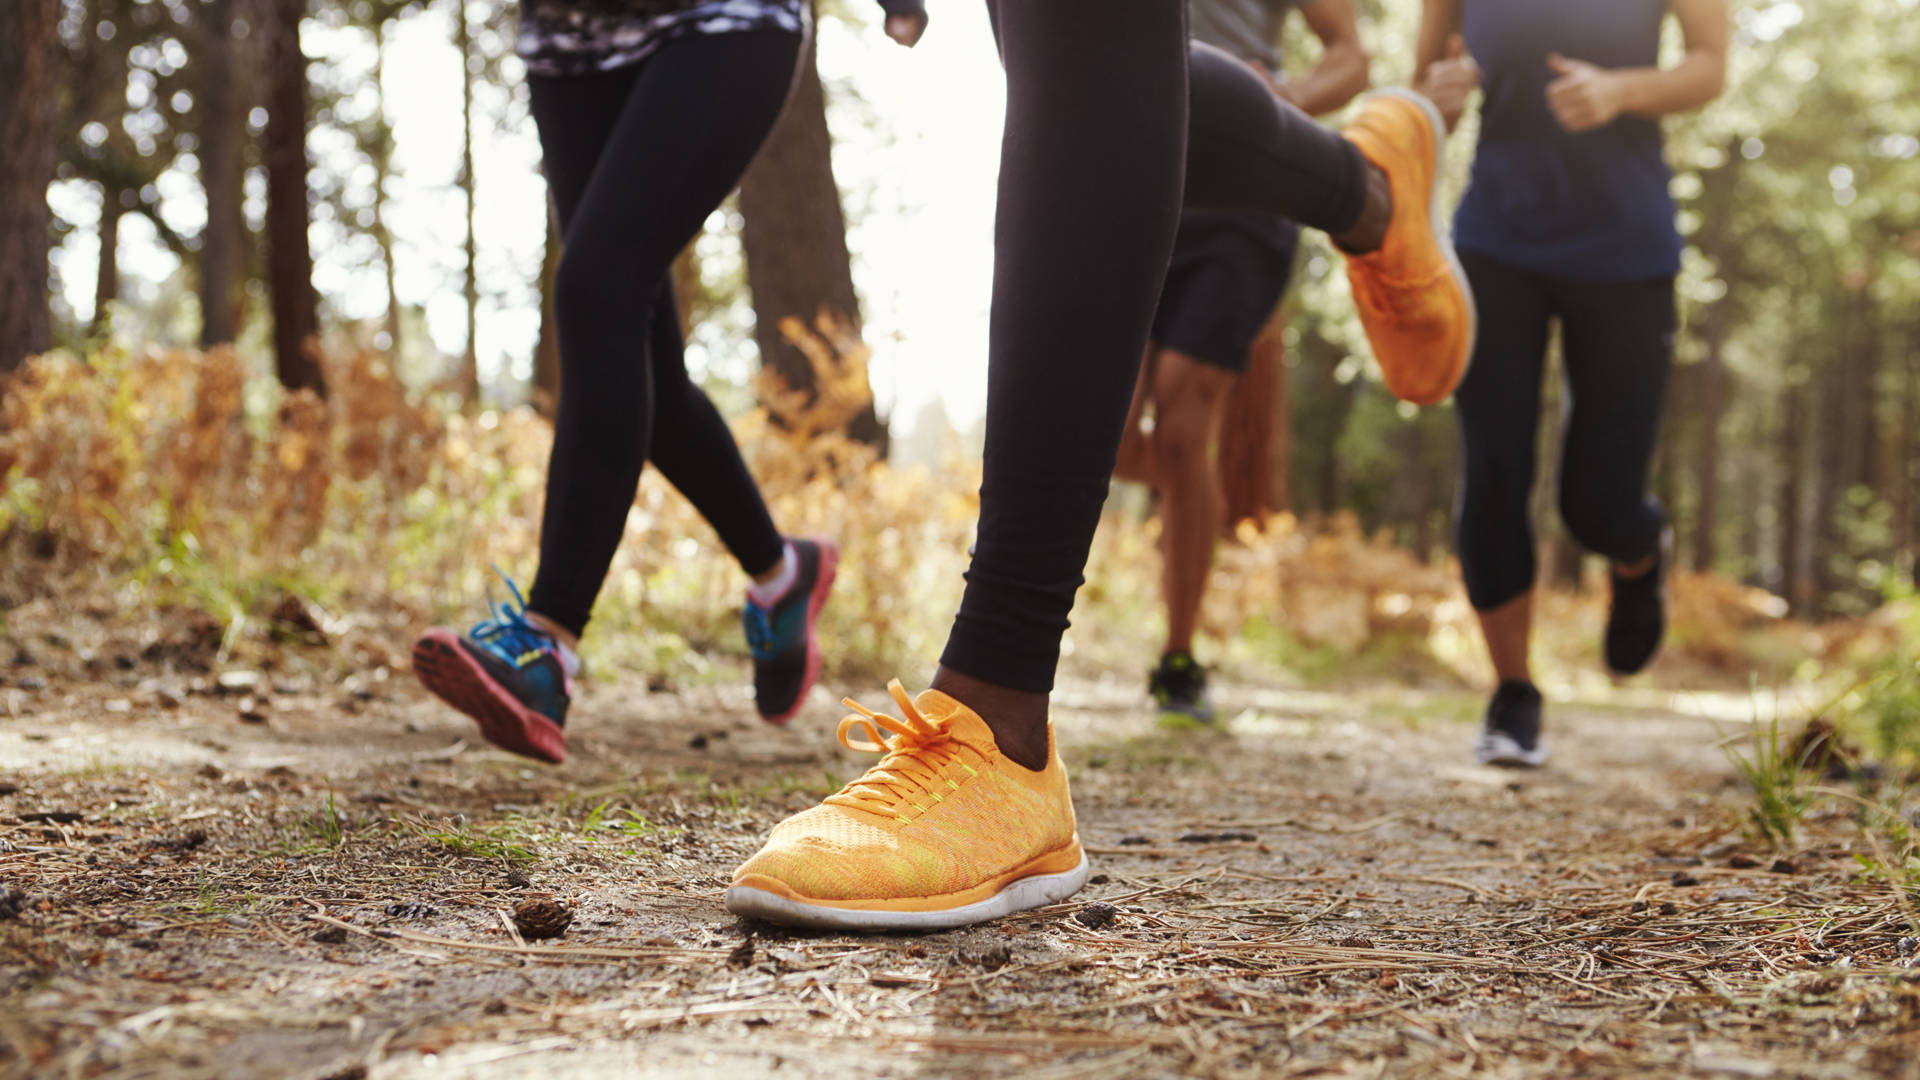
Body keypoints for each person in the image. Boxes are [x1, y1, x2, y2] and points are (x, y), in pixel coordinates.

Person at [726, 1, 1484, 931]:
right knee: (1079, 61)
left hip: (1236, 237)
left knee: (1087, 39)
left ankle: (999, 714)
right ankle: (1370, 188)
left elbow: (1339, 47)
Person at [409, 0, 932, 764]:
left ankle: (547, 646)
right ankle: (782, 571)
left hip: (723, 20)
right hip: (570, 39)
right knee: (637, 347)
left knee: (596, 286)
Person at [1414, 0, 1728, 768]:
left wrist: (1621, 91)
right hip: (1495, 241)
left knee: (1597, 501)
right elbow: (1423, 89)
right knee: (1494, 467)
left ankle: (1637, 550)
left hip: (1627, 248)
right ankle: (1513, 693)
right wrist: (1435, 99)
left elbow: (1710, 63)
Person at [1111, 0, 1372, 724]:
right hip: (1132, 168)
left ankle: (1179, 655)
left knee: (1186, 427)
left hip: (1244, 191)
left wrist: (1284, 102)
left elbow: (1349, 53)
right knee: (1105, 431)